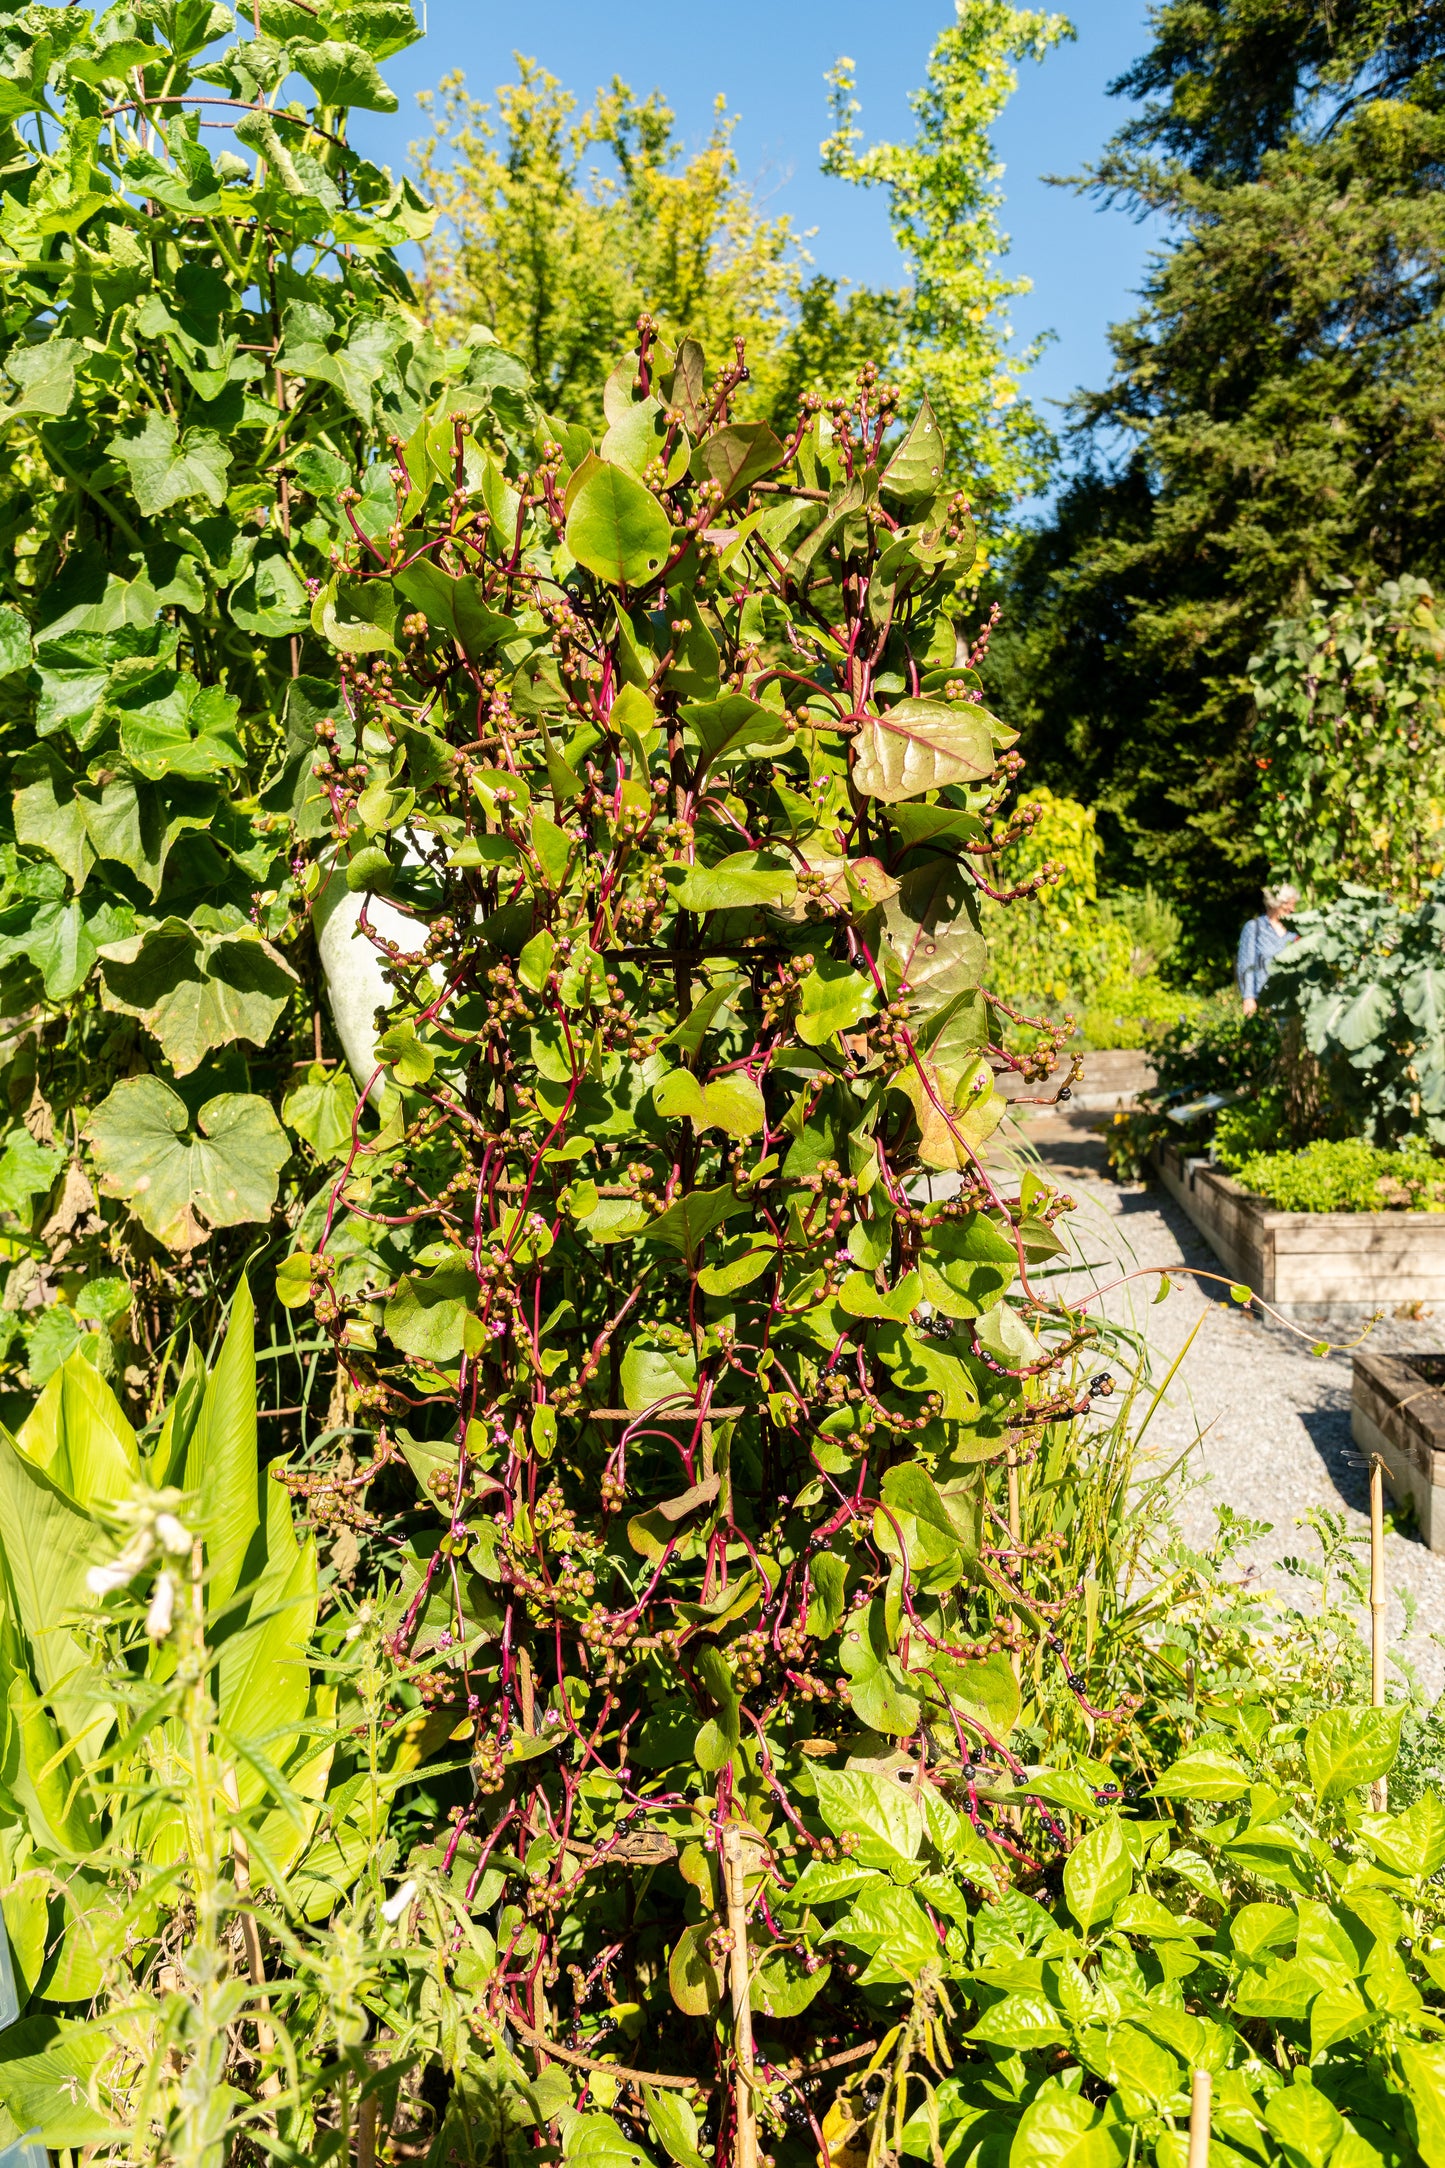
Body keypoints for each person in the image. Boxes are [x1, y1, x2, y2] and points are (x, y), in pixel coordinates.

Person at [1237, 883, 1299, 1015]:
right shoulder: (1255, 928)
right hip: (1264, 1000)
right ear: (1273, 903)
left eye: (1293, 904)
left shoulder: (1295, 931)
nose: (1292, 909)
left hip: (1290, 1001)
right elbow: (1246, 964)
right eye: (1287, 904)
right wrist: (1248, 997)